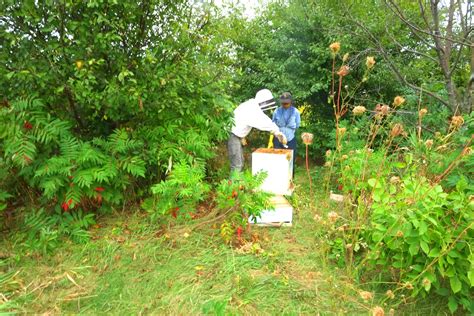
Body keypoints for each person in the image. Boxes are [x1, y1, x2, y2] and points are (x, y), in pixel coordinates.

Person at [228, 89, 287, 174]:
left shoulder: (251, 105)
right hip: (233, 135)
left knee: (239, 161)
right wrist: (277, 132)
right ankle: (233, 185)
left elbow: (261, 119)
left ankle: (237, 183)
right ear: (263, 101)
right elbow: (263, 121)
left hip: (236, 135)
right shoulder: (252, 108)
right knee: (237, 164)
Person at [272, 92, 301, 175]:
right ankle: (278, 177)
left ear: (291, 102)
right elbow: (273, 124)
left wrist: (289, 131)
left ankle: (290, 179)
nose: (285, 104)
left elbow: (297, 125)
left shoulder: (295, 112)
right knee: (277, 158)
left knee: (291, 159)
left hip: (290, 139)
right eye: (283, 103)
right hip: (278, 139)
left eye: (287, 103)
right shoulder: (276, 111)